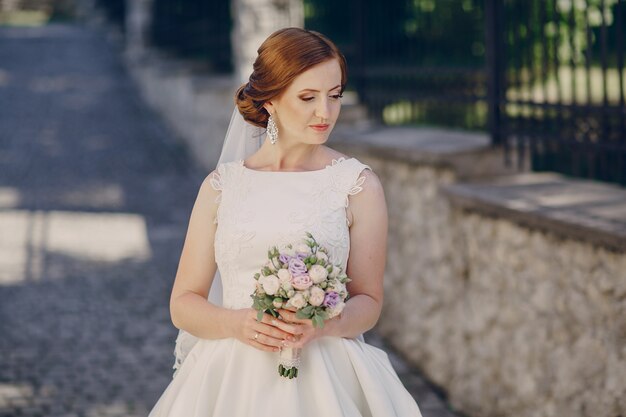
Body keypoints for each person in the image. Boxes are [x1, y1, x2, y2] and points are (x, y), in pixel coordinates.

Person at [149, 27, 422, 417]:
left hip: (327, 377)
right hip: (230, 382)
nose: (325, 113)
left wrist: (323, 324)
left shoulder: (357, 185)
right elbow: (183, 303)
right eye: (308, 97)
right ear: (271, 100)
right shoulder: (222, 187)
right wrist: (235, 323)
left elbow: (369, 301)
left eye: (335, 95)